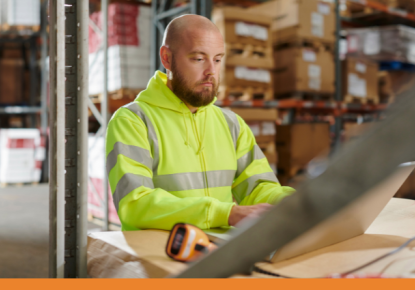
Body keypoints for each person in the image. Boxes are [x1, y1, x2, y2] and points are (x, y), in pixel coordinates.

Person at [105, 15, 295, 231]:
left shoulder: (231, 124)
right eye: (198, 59)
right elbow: (135, 205)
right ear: (166, 58)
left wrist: (295, 202)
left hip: (216, 255)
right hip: (159, 257)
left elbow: (258, 189)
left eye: (217, 59)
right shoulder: (133, 121)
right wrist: (225, 213)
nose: (211, 72)